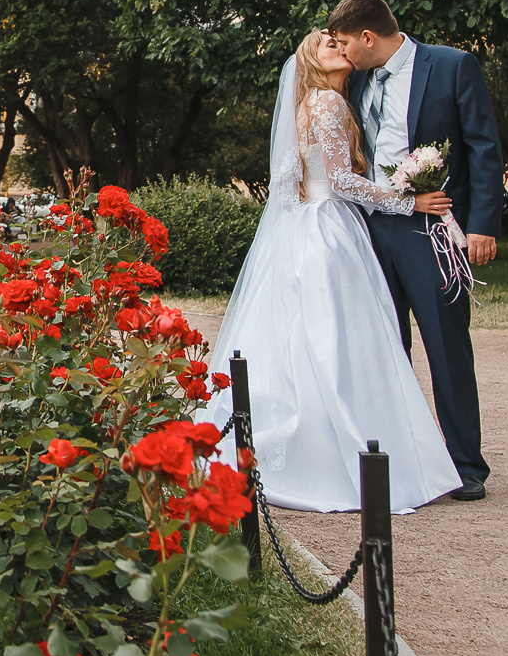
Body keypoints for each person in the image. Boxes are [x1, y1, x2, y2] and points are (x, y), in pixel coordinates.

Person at [198, 31, 464, 513]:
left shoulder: (321, 102)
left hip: (312, 227)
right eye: (327, 45)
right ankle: (340, 454)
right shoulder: (326, 102)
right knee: (338, 342)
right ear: (312, 63)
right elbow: (340, 181)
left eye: (340, 42)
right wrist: (410, 201)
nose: (339, 48)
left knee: (319, 340)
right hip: (329, 230)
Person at [325, 0, 506, 500]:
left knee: (446, 346)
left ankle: (466, 465)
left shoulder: (451, 66)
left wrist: (482, 224)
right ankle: (403, 459)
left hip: (433, 230)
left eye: (344, 42)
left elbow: (484, 147)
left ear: (368, 37)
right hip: (368, 229)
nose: (341, 52)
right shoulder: (354, 79)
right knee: (384, 347)